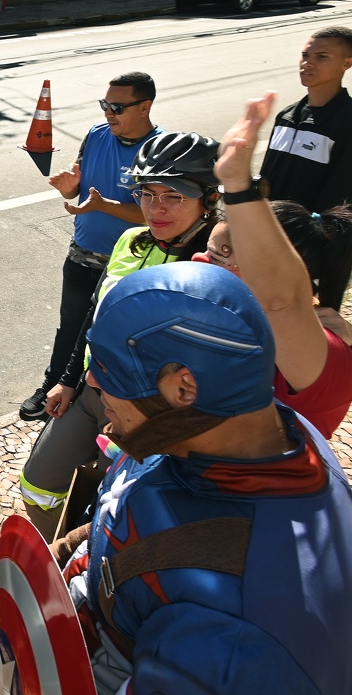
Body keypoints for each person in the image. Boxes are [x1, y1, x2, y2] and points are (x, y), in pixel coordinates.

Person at [51, 262, 352, 695]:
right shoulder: (215, 426)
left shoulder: (236, 633)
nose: (92, 381)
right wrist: (64, 554)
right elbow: (129, 509)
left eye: (109, 367)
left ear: (184, 387)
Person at [20, 131, 220, 537]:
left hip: (149, 415)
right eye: (148, 194)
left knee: (117, 509)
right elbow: (93, 318)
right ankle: (48, 555)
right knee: (39, 478)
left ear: (210, 199)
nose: (156, 208)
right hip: (91, 393)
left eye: (174, 196)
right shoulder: (130, 239)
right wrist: (67, 380)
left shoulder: (211, 264)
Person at [193, 90, 352, 438]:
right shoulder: (225, 321)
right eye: (210, 249)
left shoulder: (329, 356)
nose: (201, 260)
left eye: (224, 255)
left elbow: (280, 302)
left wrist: (237, 183)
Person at [19, 72, 161, 421]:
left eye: (117, 107)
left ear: (145, 106)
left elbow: (154, 214)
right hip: (82, 252)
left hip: (129, 263)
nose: (108, 114)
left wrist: (103, 205)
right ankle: (53, 384)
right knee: (70, 326)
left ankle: (97, 395)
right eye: (105, 105)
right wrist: (68, 188)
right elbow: (79, 188)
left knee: (112, 333)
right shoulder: (97, 135)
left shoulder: (160, 149)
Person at [258, 26, 352, 211]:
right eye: (305, 55)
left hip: (309, 236)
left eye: (321, 57)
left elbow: (341, 197)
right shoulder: (286, 116)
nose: (307, 63)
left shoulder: (346, 122)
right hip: (266, 230)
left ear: (346, 64)